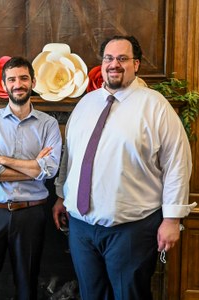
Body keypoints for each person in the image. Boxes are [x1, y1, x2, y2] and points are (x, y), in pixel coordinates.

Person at [52, 36, 197, 300]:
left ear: (136, 64)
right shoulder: (85, 104)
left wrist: (172, 219)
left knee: (129, 295)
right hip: (82, 229)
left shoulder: (156, 106)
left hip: (131, 230)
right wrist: (62, 196)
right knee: (90, 295)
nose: (114, 64)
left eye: (122, 58)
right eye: (108, 58)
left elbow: (177, 163)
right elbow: (70, 157)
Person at [0, 56, 62, 300]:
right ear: (4, 84)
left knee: (27, 287)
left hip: (30, 215)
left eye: (23, 78)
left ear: (33, 81)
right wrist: (34, 166)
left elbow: (50, 170)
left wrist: (4, 160)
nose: (18, 84)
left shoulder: (49, 125)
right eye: (12, 79)